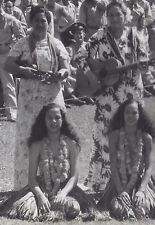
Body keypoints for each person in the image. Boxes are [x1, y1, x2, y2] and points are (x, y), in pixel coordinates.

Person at [75, 0, 146, 192]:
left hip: (131, 95)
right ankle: (102, 183)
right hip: (107, 97)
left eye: (118, 14)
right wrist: (92, 75)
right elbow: (80, 55)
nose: (114, 18)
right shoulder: (100, 35)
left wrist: (144, 65)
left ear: (126, 16)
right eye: (111, 14)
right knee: (105, 136)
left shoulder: (135, 36)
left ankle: (131, 181)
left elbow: (144, 60)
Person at [4, 5, 70, 190]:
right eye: (37, 21)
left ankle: (57, 182)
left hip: (52, 98)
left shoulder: (56, 44)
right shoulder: (22, 44)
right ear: (30, 23)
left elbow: (66, 67)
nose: (41, 24)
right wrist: (23, 70)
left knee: (55, 137)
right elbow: (8, 65)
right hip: (29, 101)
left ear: (49, 23)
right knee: (30, 138)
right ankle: (28, 185)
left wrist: (62, 74)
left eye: (44, 21)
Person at [0, 103, 96, 221]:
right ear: (43, 120)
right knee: (27, 211)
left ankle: (56, 206)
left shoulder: (71, 144)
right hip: (42, 187)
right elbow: (31, 179)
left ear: (62, 119)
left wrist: (63, 194)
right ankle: (49, 205)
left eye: (57, 117)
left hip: (66, 189)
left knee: (74, 208)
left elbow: (74, 177)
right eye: (49, 117)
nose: (53, 121)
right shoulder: (36, 145)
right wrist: (40, 197)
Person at [97, 99, 155, 220]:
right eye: (127, 112)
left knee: (142, 209)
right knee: (117, 209)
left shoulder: (146, 138)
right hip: (118, 182)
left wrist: (141, 190)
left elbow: (149, 167)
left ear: (139, 115)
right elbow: (113, 166)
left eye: (134, 112)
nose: (130, 116)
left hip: (141, 182)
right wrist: (121, 191)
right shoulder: (114, 136)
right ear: (122, 114)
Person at [0, 0, 25, 121]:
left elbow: (22, 37)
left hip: (5, 55)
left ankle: (12, 113)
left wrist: (11, 47)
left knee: (8, 84)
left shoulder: (11, 20)